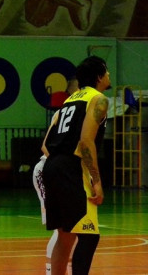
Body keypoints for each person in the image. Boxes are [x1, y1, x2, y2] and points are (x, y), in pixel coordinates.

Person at [41, 56, 110, 275]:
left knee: (65, 235)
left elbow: (45, 144)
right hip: (72, 168)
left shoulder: (69, 101)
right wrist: (96, 181)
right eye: (106, 71)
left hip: (52, 165)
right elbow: (86, 141)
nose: (109, 75)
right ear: (99, 76)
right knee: (89, 236)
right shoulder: (98, 99)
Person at [34, 78, 80, 274]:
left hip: (59, 172)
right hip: (48, 170)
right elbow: (45, 146)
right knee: (61, 230)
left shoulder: (79, 113)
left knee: (68, 229)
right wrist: (60, 165)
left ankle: (56, 269)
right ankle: (50, 270)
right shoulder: (64, 113)